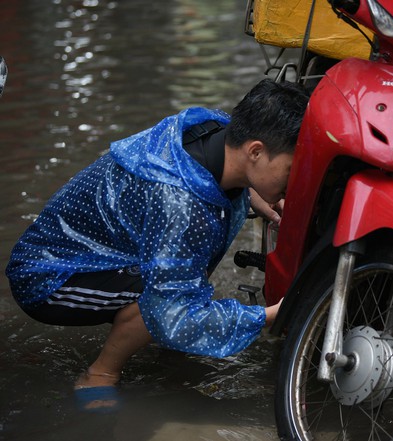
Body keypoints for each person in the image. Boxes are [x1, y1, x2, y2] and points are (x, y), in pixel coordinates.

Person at [5, 78, 309, 412]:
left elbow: (234, 183)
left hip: (106, 250)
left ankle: (156, 347)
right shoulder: (180, 204)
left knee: (181, 274)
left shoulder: (216, 131)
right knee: (158, 299)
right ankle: (100, 374)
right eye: (292, 170)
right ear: (255, 151)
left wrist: (257, 194)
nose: (294, 182)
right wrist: (269, 315)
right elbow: (170, 308)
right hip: (49, 272)